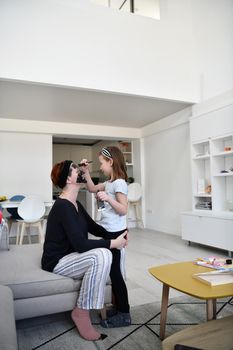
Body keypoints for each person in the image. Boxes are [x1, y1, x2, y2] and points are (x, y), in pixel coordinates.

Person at [41, 160, 128, 341]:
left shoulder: (75, 204)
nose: (78, 170)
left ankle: (87, 308)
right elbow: (81, 245)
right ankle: (81, 311)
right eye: (74, 169)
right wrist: (112, 243)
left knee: (105, 252)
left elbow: (94, 228)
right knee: (103, 253)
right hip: (57, 262)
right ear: (68, 179)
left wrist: (120, 236)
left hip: (71, 256)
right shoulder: (63, 206)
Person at [80, 146, 131, 328]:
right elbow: (92, 188)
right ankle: (119, 308)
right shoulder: (109, 183)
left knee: (115, 273)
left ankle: (124, 313)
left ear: (111, 162)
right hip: (109, 230)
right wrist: (85, 172)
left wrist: (108, 199)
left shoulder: (119, 183)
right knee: (112, 271)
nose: (100, 167)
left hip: (115, 233)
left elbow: (124, 209)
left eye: (102, 163)